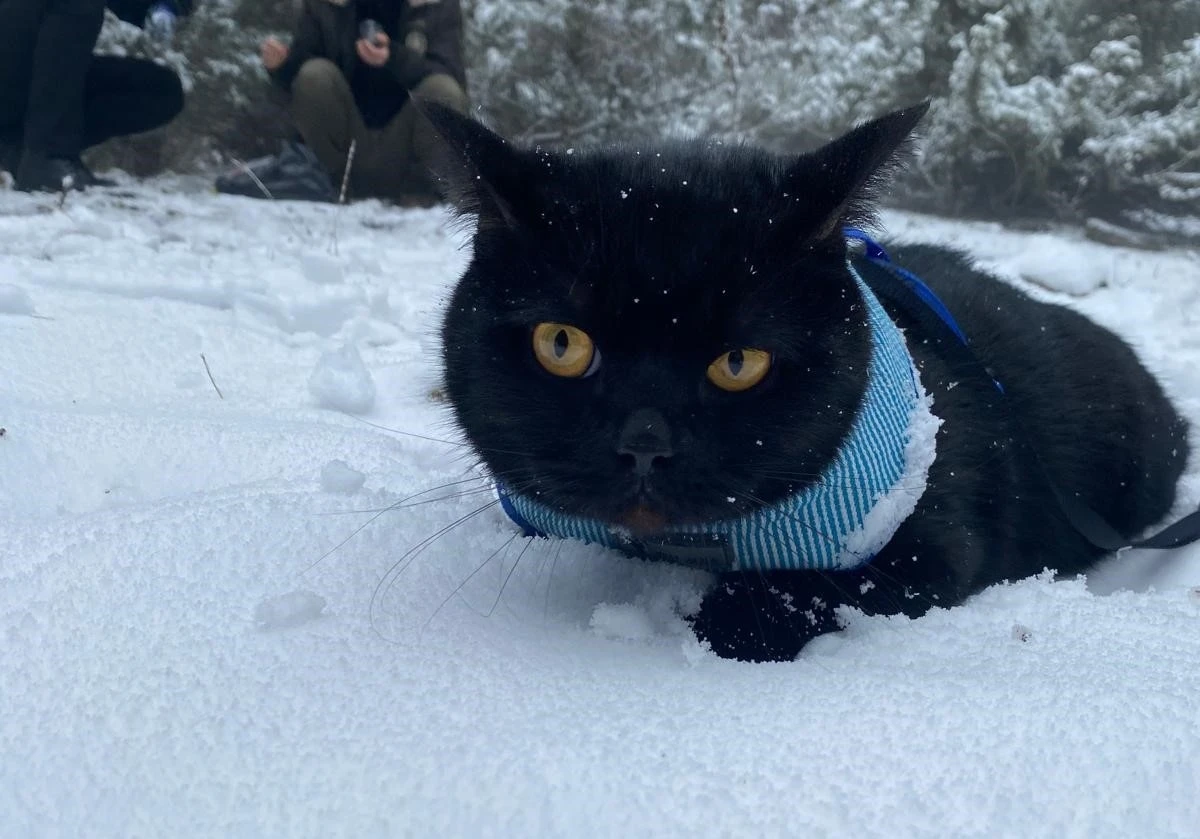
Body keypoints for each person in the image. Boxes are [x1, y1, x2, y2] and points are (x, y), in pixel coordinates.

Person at [258, 0, 468, 204]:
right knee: (314, 75)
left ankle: (423, 194)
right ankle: (328, 184)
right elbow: (303, 76)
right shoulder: (325, 4)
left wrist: (393, 58)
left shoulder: (435, 4)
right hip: (342, 149)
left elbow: (450, 75)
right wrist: (282, 66)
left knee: (443, 91)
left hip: (407, 149)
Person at [0, 0, 192, 192]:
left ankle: (18, 150)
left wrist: (163, 7)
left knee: (160, 89)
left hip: (35, 81)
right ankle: (48, 156)